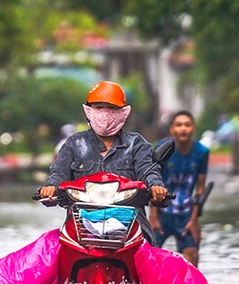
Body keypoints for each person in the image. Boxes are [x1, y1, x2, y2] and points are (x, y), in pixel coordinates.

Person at [38, 81, 168, 206]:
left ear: (123, 112)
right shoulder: (74, 143)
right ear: (89, 110)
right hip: (81, 219)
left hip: (128, 218)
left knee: (145, 230)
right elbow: (59, 171)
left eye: (111, 108)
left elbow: (147, 170)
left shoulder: (137, 144)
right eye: (99, 107)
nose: (105, 113)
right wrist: (51, 187)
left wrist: (155, 186)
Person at [149, 111, 209, 265]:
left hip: (186, 215)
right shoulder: (163, 148)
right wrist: (153, 217)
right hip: (162, 212)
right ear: (172, 129)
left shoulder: (202, 152)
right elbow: (154, 181)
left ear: (193, 128)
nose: (183, 129)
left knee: (192, 255)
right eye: (179, 125)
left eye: (187, 125)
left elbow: (200, 187)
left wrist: (194, 219)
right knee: (150, 255)